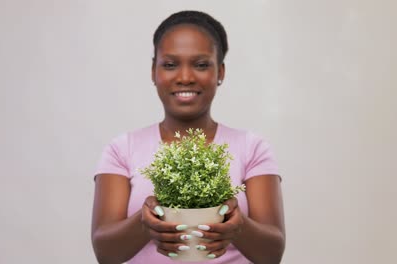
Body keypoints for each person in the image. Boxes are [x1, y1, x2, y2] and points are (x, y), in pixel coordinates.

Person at [91, 10, 285, 264]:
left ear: (221, 72)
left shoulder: (252, 148)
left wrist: (240, 227)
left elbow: (272, 253)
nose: (184, 77)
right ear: (153, 71)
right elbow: (104, 253)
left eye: (201, 64)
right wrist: (143, 223)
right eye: (170, 64)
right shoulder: (122, 149)